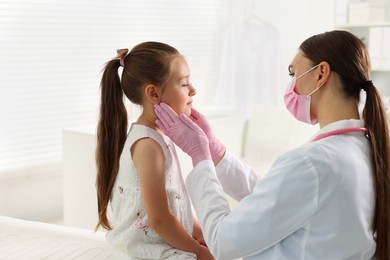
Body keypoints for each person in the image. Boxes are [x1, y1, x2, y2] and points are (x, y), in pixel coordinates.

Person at [154, 30, 390, 259]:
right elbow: (277, 195)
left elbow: (222, 241)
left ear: (321, 73)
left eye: (293, 73)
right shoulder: (367, 148)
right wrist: (216, 152)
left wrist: (200, 158)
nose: (291, 86)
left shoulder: (312, 162)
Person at [95, 41, 214, 259]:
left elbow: (175, 202)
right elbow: (160, 220)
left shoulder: (160, 137)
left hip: (163, 237)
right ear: (153, 93)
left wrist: (203, 234)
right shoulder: (148, 145)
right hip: (145, 247)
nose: (193, 90)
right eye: (184, 84)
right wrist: (198, 251)